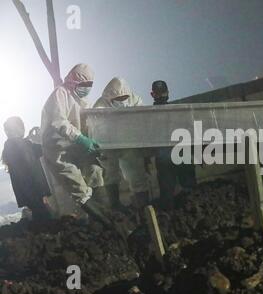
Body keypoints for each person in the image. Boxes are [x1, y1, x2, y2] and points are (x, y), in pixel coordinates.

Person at [41, 64, 110, 226]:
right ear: (73, 80)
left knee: (95, 172)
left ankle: (103, 214)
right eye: (84, 85)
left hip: (76, 147)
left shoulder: (83, 100)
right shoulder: (61, 93)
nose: (86, 89)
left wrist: (94, 141)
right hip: (58, 151)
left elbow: (91, 122)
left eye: (89, 86)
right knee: (78, 187)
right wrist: (80, 138)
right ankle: (106, 223)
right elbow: (58, 121)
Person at [93, 77, 150, 211]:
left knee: (136, 174)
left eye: (124, 98)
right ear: (110, 97)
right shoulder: (100, 104)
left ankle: (143, 206)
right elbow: (95, 124)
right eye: (118, 99)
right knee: (110, 173)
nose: (122, 101)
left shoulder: (135, 99)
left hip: (129, 141)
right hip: (108, 143)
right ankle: (115, 206)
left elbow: (143, 119)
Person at [152, 80, 196, 210]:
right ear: (152, 94)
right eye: (158, 93)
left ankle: (191, 211)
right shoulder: (148, 114)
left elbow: (189, 132)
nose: (161, 96)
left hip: (182, 154)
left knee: (190, 189)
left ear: (168, 93)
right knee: (167, 194)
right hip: (163, 158)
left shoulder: (177, 111)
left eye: (163, 92)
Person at [2, 117, 52, 222]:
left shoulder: (13, 144)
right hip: (33, 187)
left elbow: (36, 150)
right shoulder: (15, 144)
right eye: (21, 126)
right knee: (43, 214)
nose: (23, 129)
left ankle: (42, 231)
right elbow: (37, 151)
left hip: (29, 189)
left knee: (39, 212)